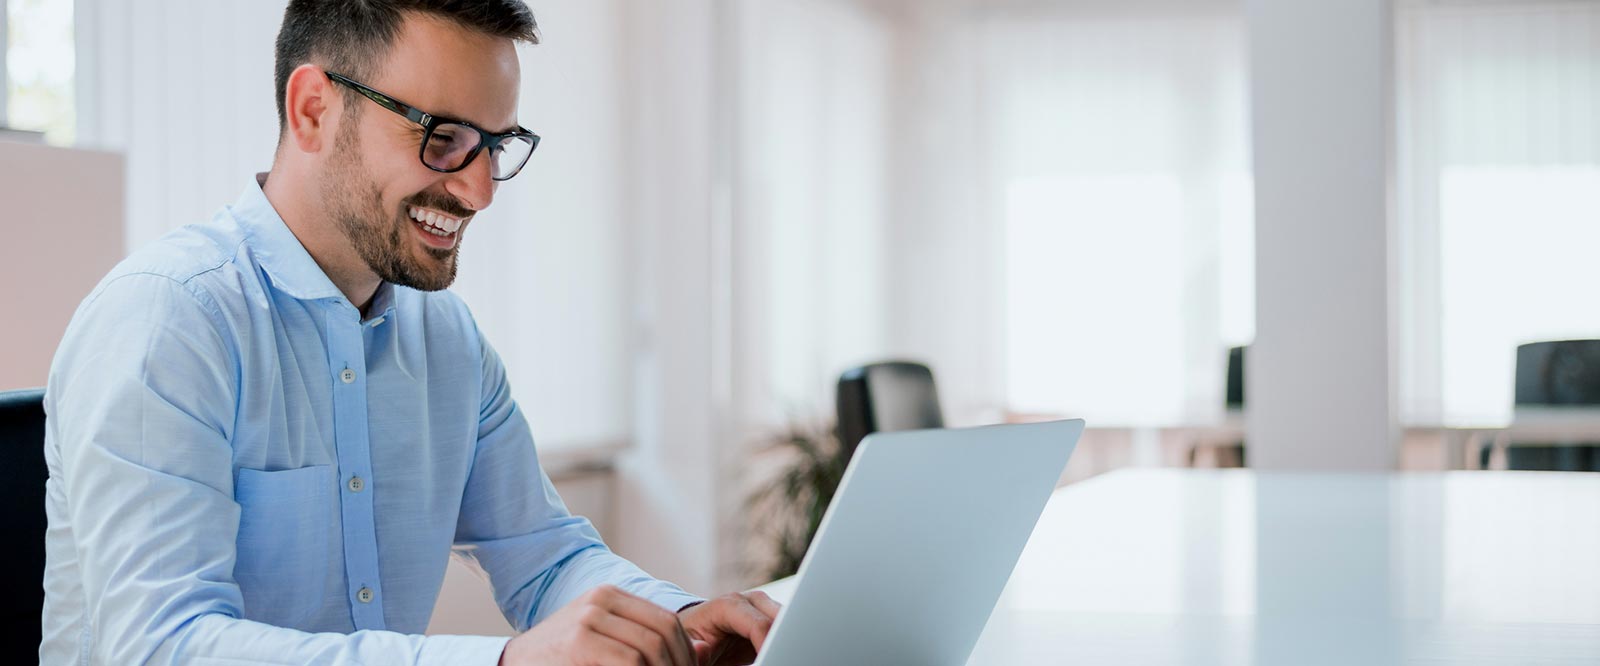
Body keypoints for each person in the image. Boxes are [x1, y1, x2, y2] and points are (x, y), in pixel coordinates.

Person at [39, 1, 778, 664]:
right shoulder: (167, 320)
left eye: (497, 143)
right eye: (444, 136)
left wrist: (682, 619)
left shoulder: (446, 339)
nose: (480, 189)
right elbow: (161, 646)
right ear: (313, 111)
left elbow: (544, 555)